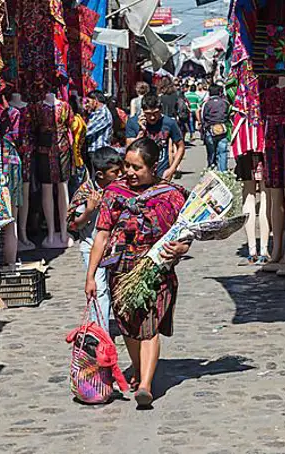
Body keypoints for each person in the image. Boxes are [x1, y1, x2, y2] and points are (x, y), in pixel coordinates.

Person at [85, 138, 190, 408]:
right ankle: (138, 367)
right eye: (127, 166)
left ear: (153, 167)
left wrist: (182, 246)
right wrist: (90, 275)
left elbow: (188, 230)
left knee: (149, 326)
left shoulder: (172, 195)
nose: (129, 173)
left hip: (157, 270)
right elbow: (102, 234)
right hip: (121, 270)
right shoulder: (114, 193)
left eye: (136, 168)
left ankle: (145, 385)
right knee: (129, 325)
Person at [67, 147, 123, 332]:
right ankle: (101, 333)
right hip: (91, 248)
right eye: (115, 172)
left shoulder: (121, 188)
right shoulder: (86, 192)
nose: (120, 174)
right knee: (99, 291)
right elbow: (74, 225)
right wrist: (90, 210)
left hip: (117, 248)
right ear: (100, 174)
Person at [125, 94, 185, 181]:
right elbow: (129, 149)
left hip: (162, 174)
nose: (152, 117)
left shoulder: (169, 123)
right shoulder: (133, 123)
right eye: (148, 114)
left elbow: (180, 146)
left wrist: (172, 169)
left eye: (156, 113)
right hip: (140, 176)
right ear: (142, 111)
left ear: (161, 109)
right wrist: (141, 131)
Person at [200, 84, 230, 171]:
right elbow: (228, 115)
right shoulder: (225, 103)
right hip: (222, 129)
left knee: (211, 153)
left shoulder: (206, 104)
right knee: (223, 152)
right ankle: (223, 172)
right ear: (220, 92)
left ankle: (211, 171)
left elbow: (203, 117)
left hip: (210, 129)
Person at [84, 90, 113, 177]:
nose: (87, 104)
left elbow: (87, 131)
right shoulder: (96, 113)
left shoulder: (103, 114)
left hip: (98, 151)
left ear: (95, 101)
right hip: (94, 151)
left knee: (96, 178)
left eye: (88, 101)